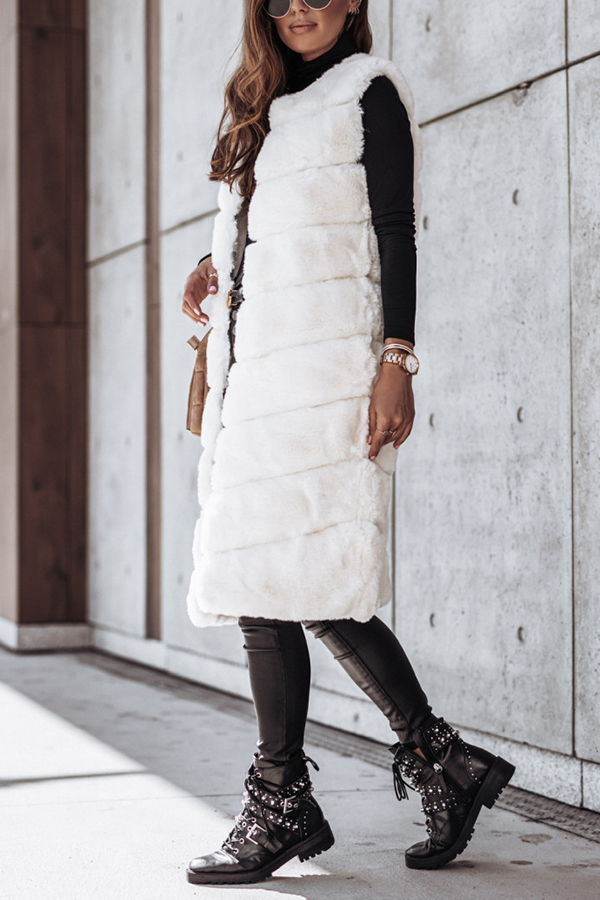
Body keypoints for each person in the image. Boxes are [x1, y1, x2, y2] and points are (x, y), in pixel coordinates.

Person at [181, 0, 515, 887]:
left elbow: (395, 230)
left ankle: (284, 800)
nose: (298, 7)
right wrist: (217, 265)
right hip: (258, 381)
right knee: (283, 582)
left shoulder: (369, 92)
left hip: (326, 373)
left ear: (355, 1)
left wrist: (397, 361)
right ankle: (440, 762)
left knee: (298, 583)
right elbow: (275, 235)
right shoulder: (259, 103)